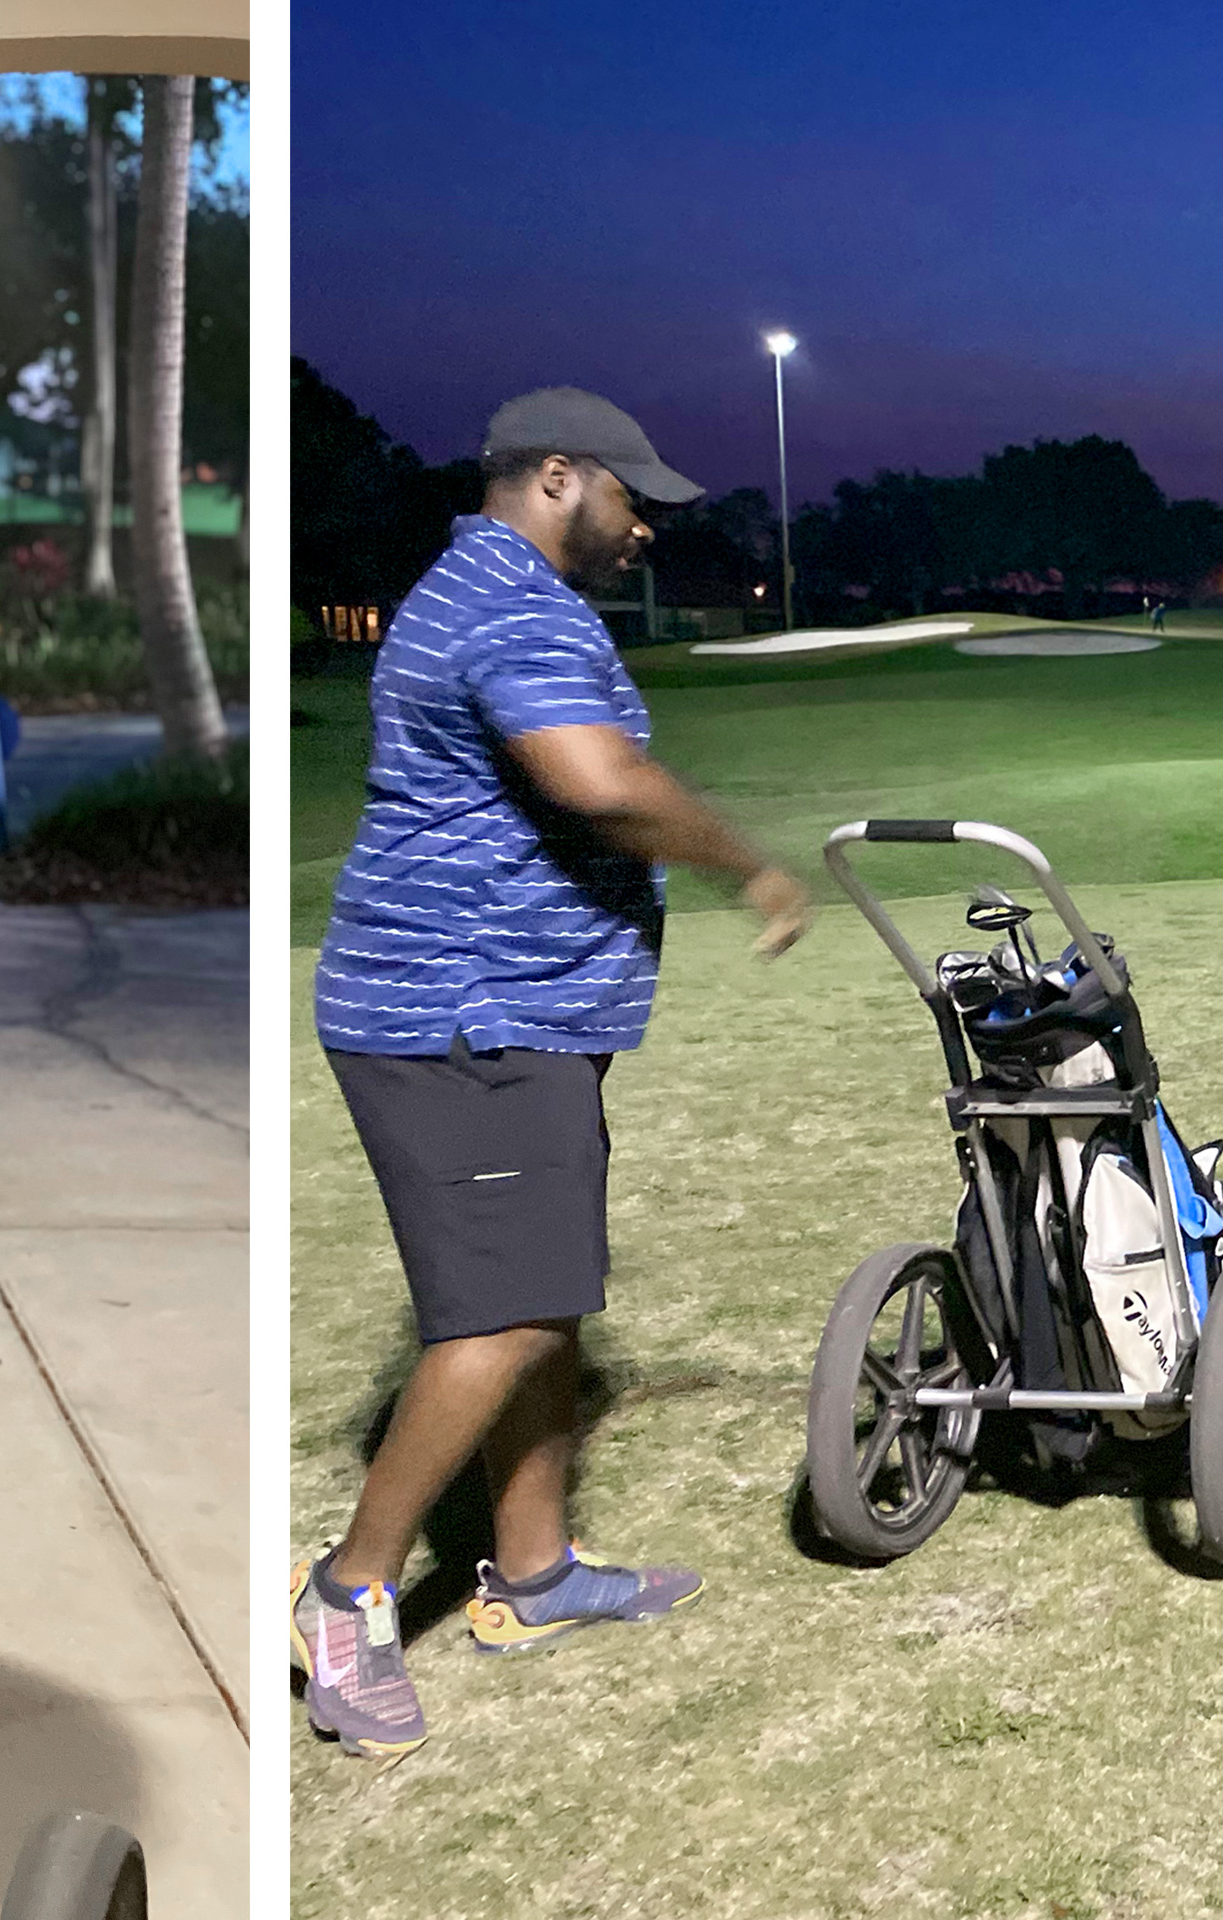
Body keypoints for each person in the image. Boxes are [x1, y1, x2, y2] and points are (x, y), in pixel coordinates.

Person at [294, 387, 813, 1759]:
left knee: (548, 1294)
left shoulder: (477, 589)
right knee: (509, 1309)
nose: (644, 526)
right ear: (557, 478)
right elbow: (597, 779)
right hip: (462, 1020)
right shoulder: (513, 604)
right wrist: (746, 862)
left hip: (507, 1013)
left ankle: (531, 1572)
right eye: (631, 500)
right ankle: (345, 1595)